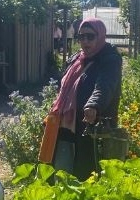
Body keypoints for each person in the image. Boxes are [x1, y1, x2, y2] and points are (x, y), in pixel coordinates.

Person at [50, 17, 122, 181]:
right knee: (62, 169)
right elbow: (63, 90)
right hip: (67, 123)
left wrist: (94, 105)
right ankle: (62, 199)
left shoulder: (109, 59)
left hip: (92, 125)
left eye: (90, 36)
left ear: (101, 36)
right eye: (81, 37)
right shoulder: (76, 59)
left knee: (87, 171)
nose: (85, 41)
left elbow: (105, 85)